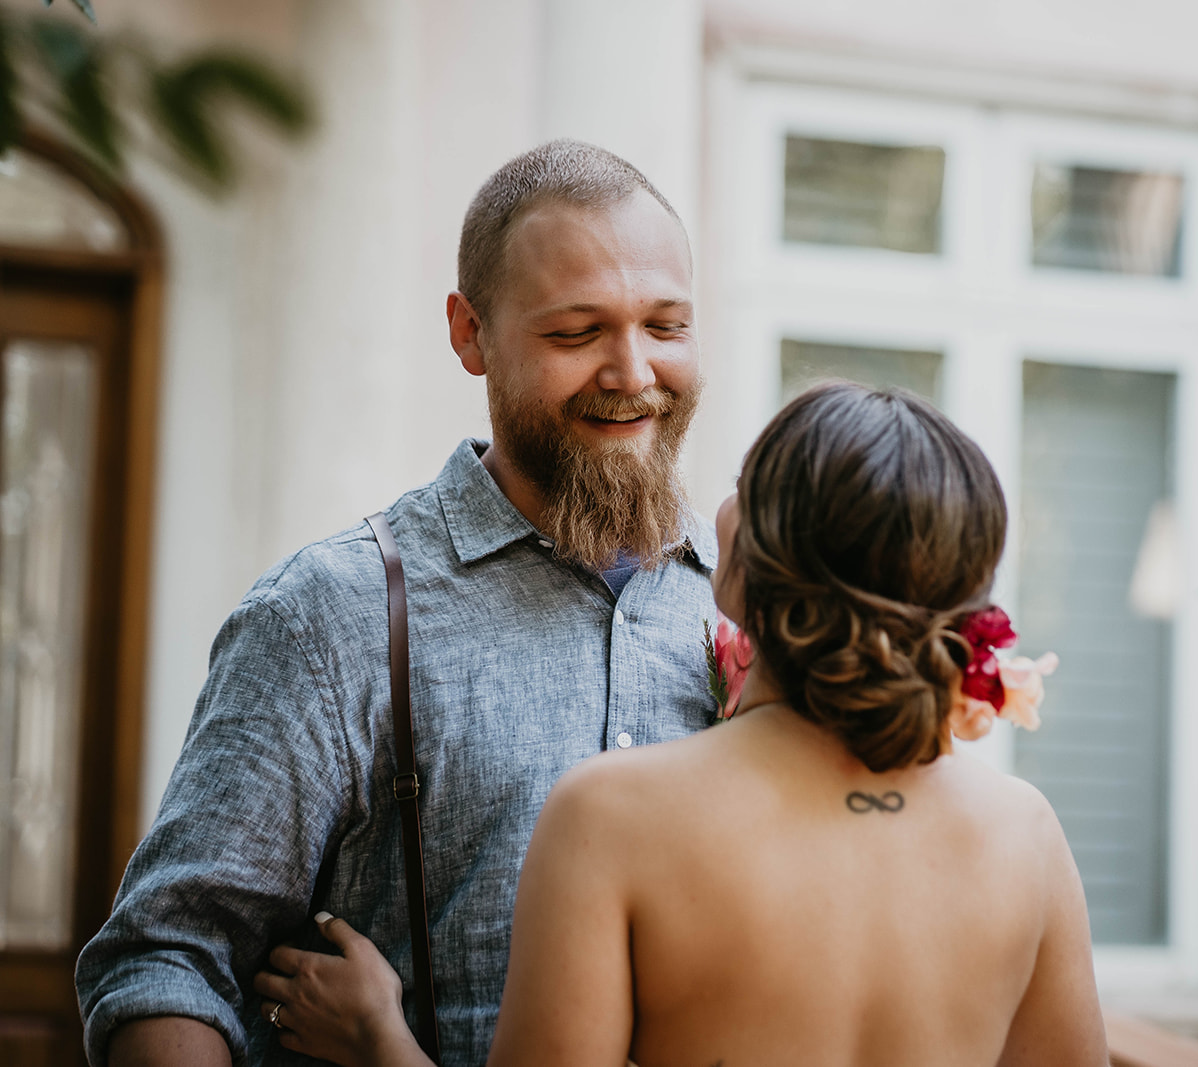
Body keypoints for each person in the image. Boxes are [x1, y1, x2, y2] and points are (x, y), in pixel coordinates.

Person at [76, 140, 719, 1067]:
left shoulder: (750, 622)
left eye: (665, 326)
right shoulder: (330, 615)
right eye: (577, 334)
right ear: (469, 333)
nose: (631, 371)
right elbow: (168, 961)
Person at [253, 383, 1110, 1067]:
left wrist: (381, 1042)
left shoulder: (611, 815)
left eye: (745, 481)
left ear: (741, 578)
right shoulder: (1024, 834)